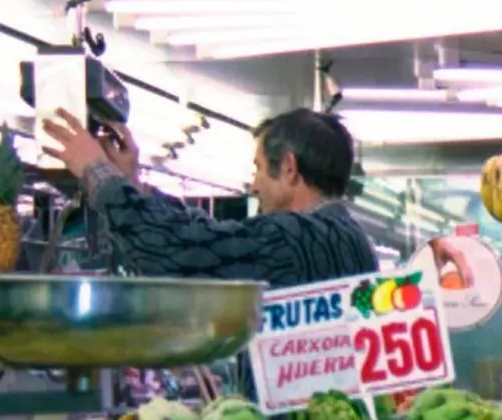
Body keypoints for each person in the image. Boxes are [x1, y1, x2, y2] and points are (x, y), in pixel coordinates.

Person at [40, 107, 378, 287]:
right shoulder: (354, 240)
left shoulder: (293, 238)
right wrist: (133, 185)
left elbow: (178, 249)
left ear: (289, 168)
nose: (254, 186)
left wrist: (99, 173)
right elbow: (209, 238)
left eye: (258, 169)